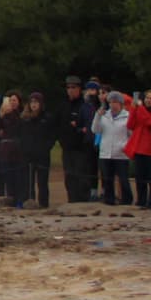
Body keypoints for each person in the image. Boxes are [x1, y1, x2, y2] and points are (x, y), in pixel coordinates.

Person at [59, 76, 97, 204]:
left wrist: (79, 130)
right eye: (68, 87)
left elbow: (88, 126)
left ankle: (82, 202)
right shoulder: (63, 105)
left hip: (81, 148)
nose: (70, 90)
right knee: (69, 177)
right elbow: (59, 125)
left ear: (80, 89)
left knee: (82, 176)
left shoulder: (85, 106)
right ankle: (72, 201)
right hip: (67, 147)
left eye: (73, 87)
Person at [127, 90, 151, 209]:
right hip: (139, 148)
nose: (148, 100)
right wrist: (133, 109)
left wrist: (140, 108)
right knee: (140, 177)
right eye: (147, 98)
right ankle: (141, 200)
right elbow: (130, 125)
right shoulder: (140, 110)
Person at [0, 91, 30, 208]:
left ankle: (20, 201)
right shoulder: (3, 115)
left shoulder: (22, 114)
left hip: (19, 150)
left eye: (14, 100)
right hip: (5, 150)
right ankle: (11, 200)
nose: (12, 102)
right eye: (10, 100)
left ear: (19, 102)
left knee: (19, 177)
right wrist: (2, 115)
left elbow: (21, 128)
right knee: (8, 177)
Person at [94, 92, 132, 206]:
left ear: (120, 103)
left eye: (115, 102)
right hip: (106, 153)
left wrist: (125, 146)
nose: (112, 105)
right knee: (107, 179)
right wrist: (98, 116)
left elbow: (131, 133)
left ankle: (127, 200)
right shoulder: (104, 115)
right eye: (110, 102)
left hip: (121, 153)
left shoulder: (127, 116)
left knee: (123, 179)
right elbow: (96, 130)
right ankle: (109, 200)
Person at [20, 90, 53, 208]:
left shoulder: (47, 117)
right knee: (28, 181)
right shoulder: (25, 118)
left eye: (36, 102)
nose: (34, 104)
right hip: (28, 154)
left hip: (42, 155)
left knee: (42, 181)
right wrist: (24, 149)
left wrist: (46, 147)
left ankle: (44, 203)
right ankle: (30, 202)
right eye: (31, 102)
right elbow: (22, 135)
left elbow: (51, 136)